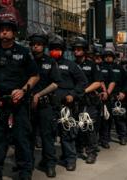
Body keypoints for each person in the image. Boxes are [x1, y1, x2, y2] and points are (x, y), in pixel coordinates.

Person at [0, 13, 40, 180]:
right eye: (2, 30)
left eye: (8, 30)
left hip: (19, 102)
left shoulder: (23, 52)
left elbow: (35, 76)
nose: (5, 33)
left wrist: (23, 90)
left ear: (14, 32)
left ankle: (24, 171)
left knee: (21, 138)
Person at [49, 35, 87, 171]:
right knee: (49, 134)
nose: (54, 51)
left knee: (67, 133)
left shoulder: (71, 65)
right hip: (49, 105)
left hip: (66, 106)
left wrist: (73, 94)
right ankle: (48, 160)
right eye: (52, 48)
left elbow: (83, 82)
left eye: (57, 49)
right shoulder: (45, 64)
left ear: (63, 50)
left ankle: (70, 159)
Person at [29, 32, 61, 177]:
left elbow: (55, 83)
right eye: (33, 44)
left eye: (39, 44)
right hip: (27, 105)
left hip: (45, 105)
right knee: (27, 136)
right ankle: (26, 164)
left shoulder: (50, 62)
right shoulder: (26, 61)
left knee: (46, 136)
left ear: (44, 46)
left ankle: (50, 164)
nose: (35, 47)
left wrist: (39, 95)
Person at [71, 37, 102, 164]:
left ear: (84, 50)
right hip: (74, 101)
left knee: (89, 127)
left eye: (79, 49)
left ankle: (91, 152)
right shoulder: (71, 65)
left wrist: (83, 91)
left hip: (88, 101)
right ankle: (77, 150)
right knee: (74, 127)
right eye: (74, 49)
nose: (76, 52)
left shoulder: (92, 65)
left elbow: (98, 83)